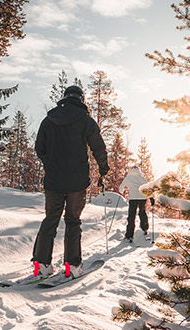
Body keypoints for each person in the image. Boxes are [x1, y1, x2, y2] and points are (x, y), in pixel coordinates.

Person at [32, 85, 109, 279]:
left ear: (64, 98)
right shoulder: (86, 121)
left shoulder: (49, 120)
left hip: (53, 181)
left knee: (51, 219)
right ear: (81, 99)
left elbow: (39, 148)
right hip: (76, 182)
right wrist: (103, 169)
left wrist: (50, 163)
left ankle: (41, 264)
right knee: (73, 221)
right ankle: (72, 266)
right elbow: (98, 147)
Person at [119, 166, 153, 243]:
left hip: (133, 198)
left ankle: (129, 235)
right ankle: (144, 228)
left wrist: (122, 191)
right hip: (142, 198)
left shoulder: (128, 178)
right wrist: (151, 198)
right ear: (138, 170)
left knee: (131, 216)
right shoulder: (142, 178)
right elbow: (148, 188)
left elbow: (121, 187)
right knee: (142, 212)